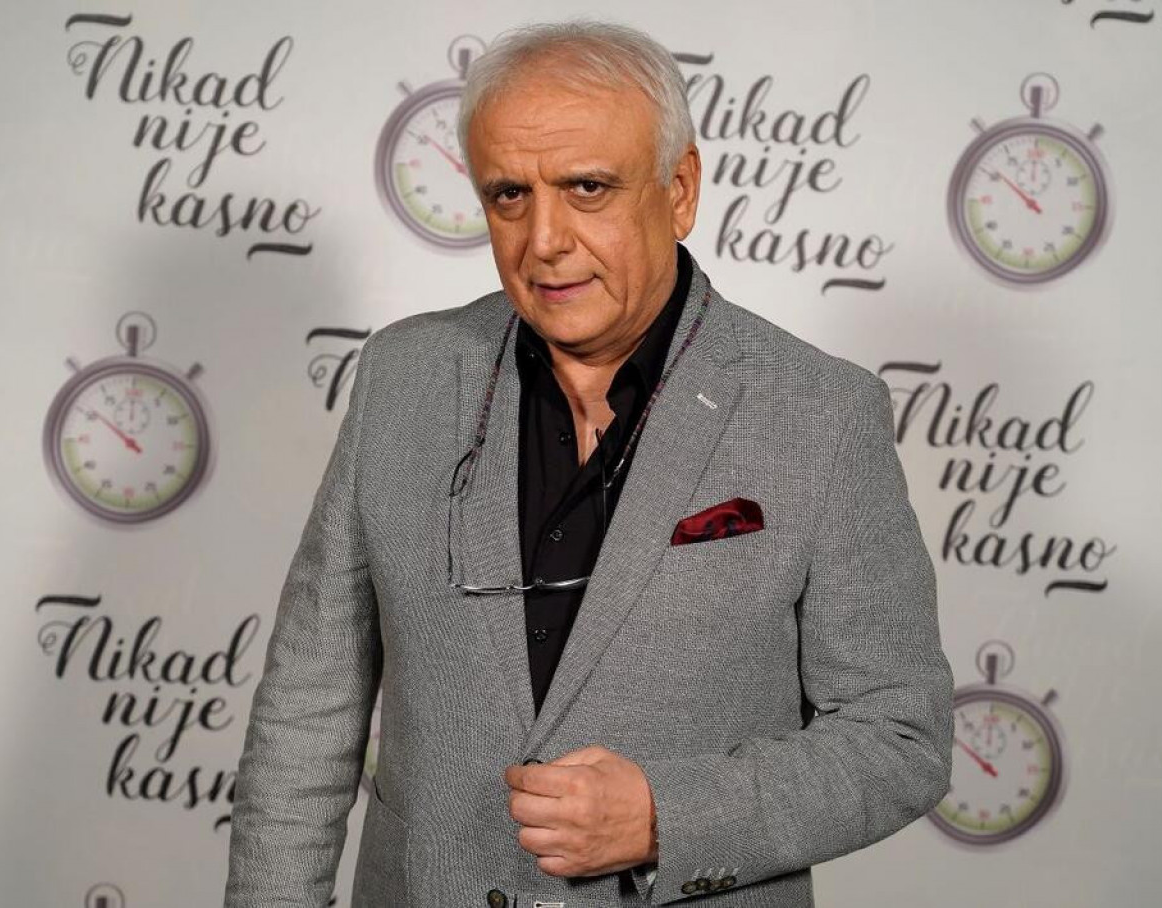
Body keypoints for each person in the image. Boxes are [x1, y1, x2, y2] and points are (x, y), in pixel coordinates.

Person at [225, 19, 953, 908]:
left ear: (679, 190)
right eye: (509, 194)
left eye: (587, 187)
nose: (545, 240)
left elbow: (899, 737)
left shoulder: (822, 413)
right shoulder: (401, 377)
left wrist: (666, 816)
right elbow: (306, 714)